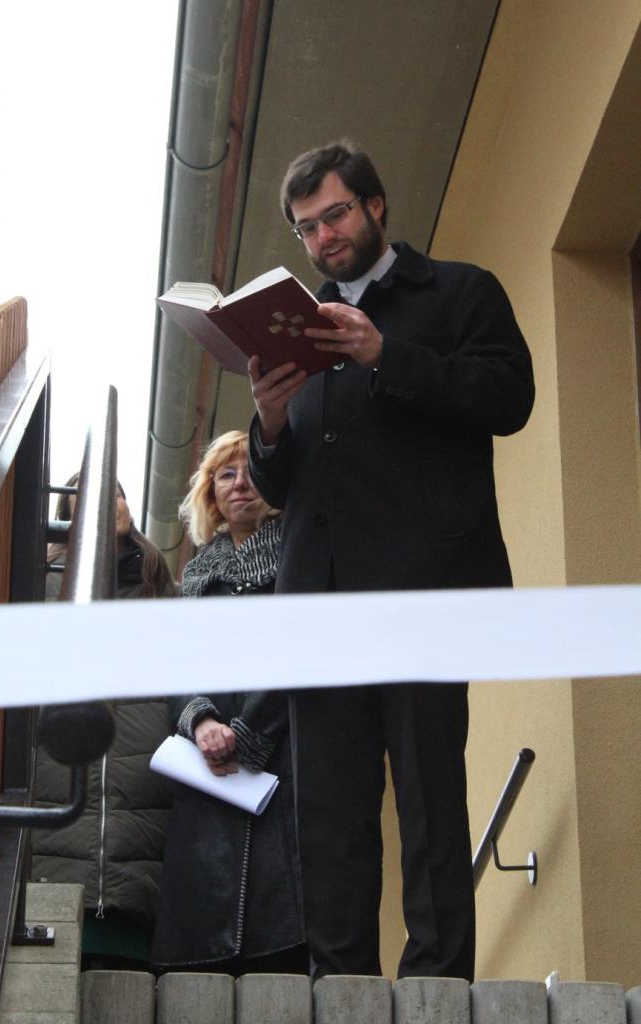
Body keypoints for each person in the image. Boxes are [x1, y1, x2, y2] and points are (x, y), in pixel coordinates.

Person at [246, 139, 535, 981]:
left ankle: (437, 984)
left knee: (428, 795)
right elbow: (282, 484)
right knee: (328, 811)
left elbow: (509, 398)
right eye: (306, 227)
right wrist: (269, 424)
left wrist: (385, 356)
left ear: (375, 205)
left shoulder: (460, 291)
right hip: (320, 602)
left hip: (425, 592)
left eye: (334, 214)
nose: (323, 237)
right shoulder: (299, 325)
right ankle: (341, 988)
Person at [151, 430, 307, 976]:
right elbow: (175, 669)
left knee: (283, 932)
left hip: (286, 758)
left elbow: (302, 653)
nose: (240, 483)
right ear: (211, 496)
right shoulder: (194, 579)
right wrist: (200, 721)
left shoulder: (302, 557)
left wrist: (246, 734)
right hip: (208, 770)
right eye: (226, 474)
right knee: (203, 947)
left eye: (251, 471)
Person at [33, 478, 176, 971]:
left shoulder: (164, 594)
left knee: (130, 982)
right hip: (55, 816)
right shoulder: (38, 590)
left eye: (114, 491)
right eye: (85, 493)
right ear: (65, 516)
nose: (105, 500)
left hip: (142, 822)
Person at [45, 474, 176, 600]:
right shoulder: (58, 576)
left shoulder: (153, 566)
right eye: (89, 500)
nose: (107, 504)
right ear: (70, 524)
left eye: (115, 495)